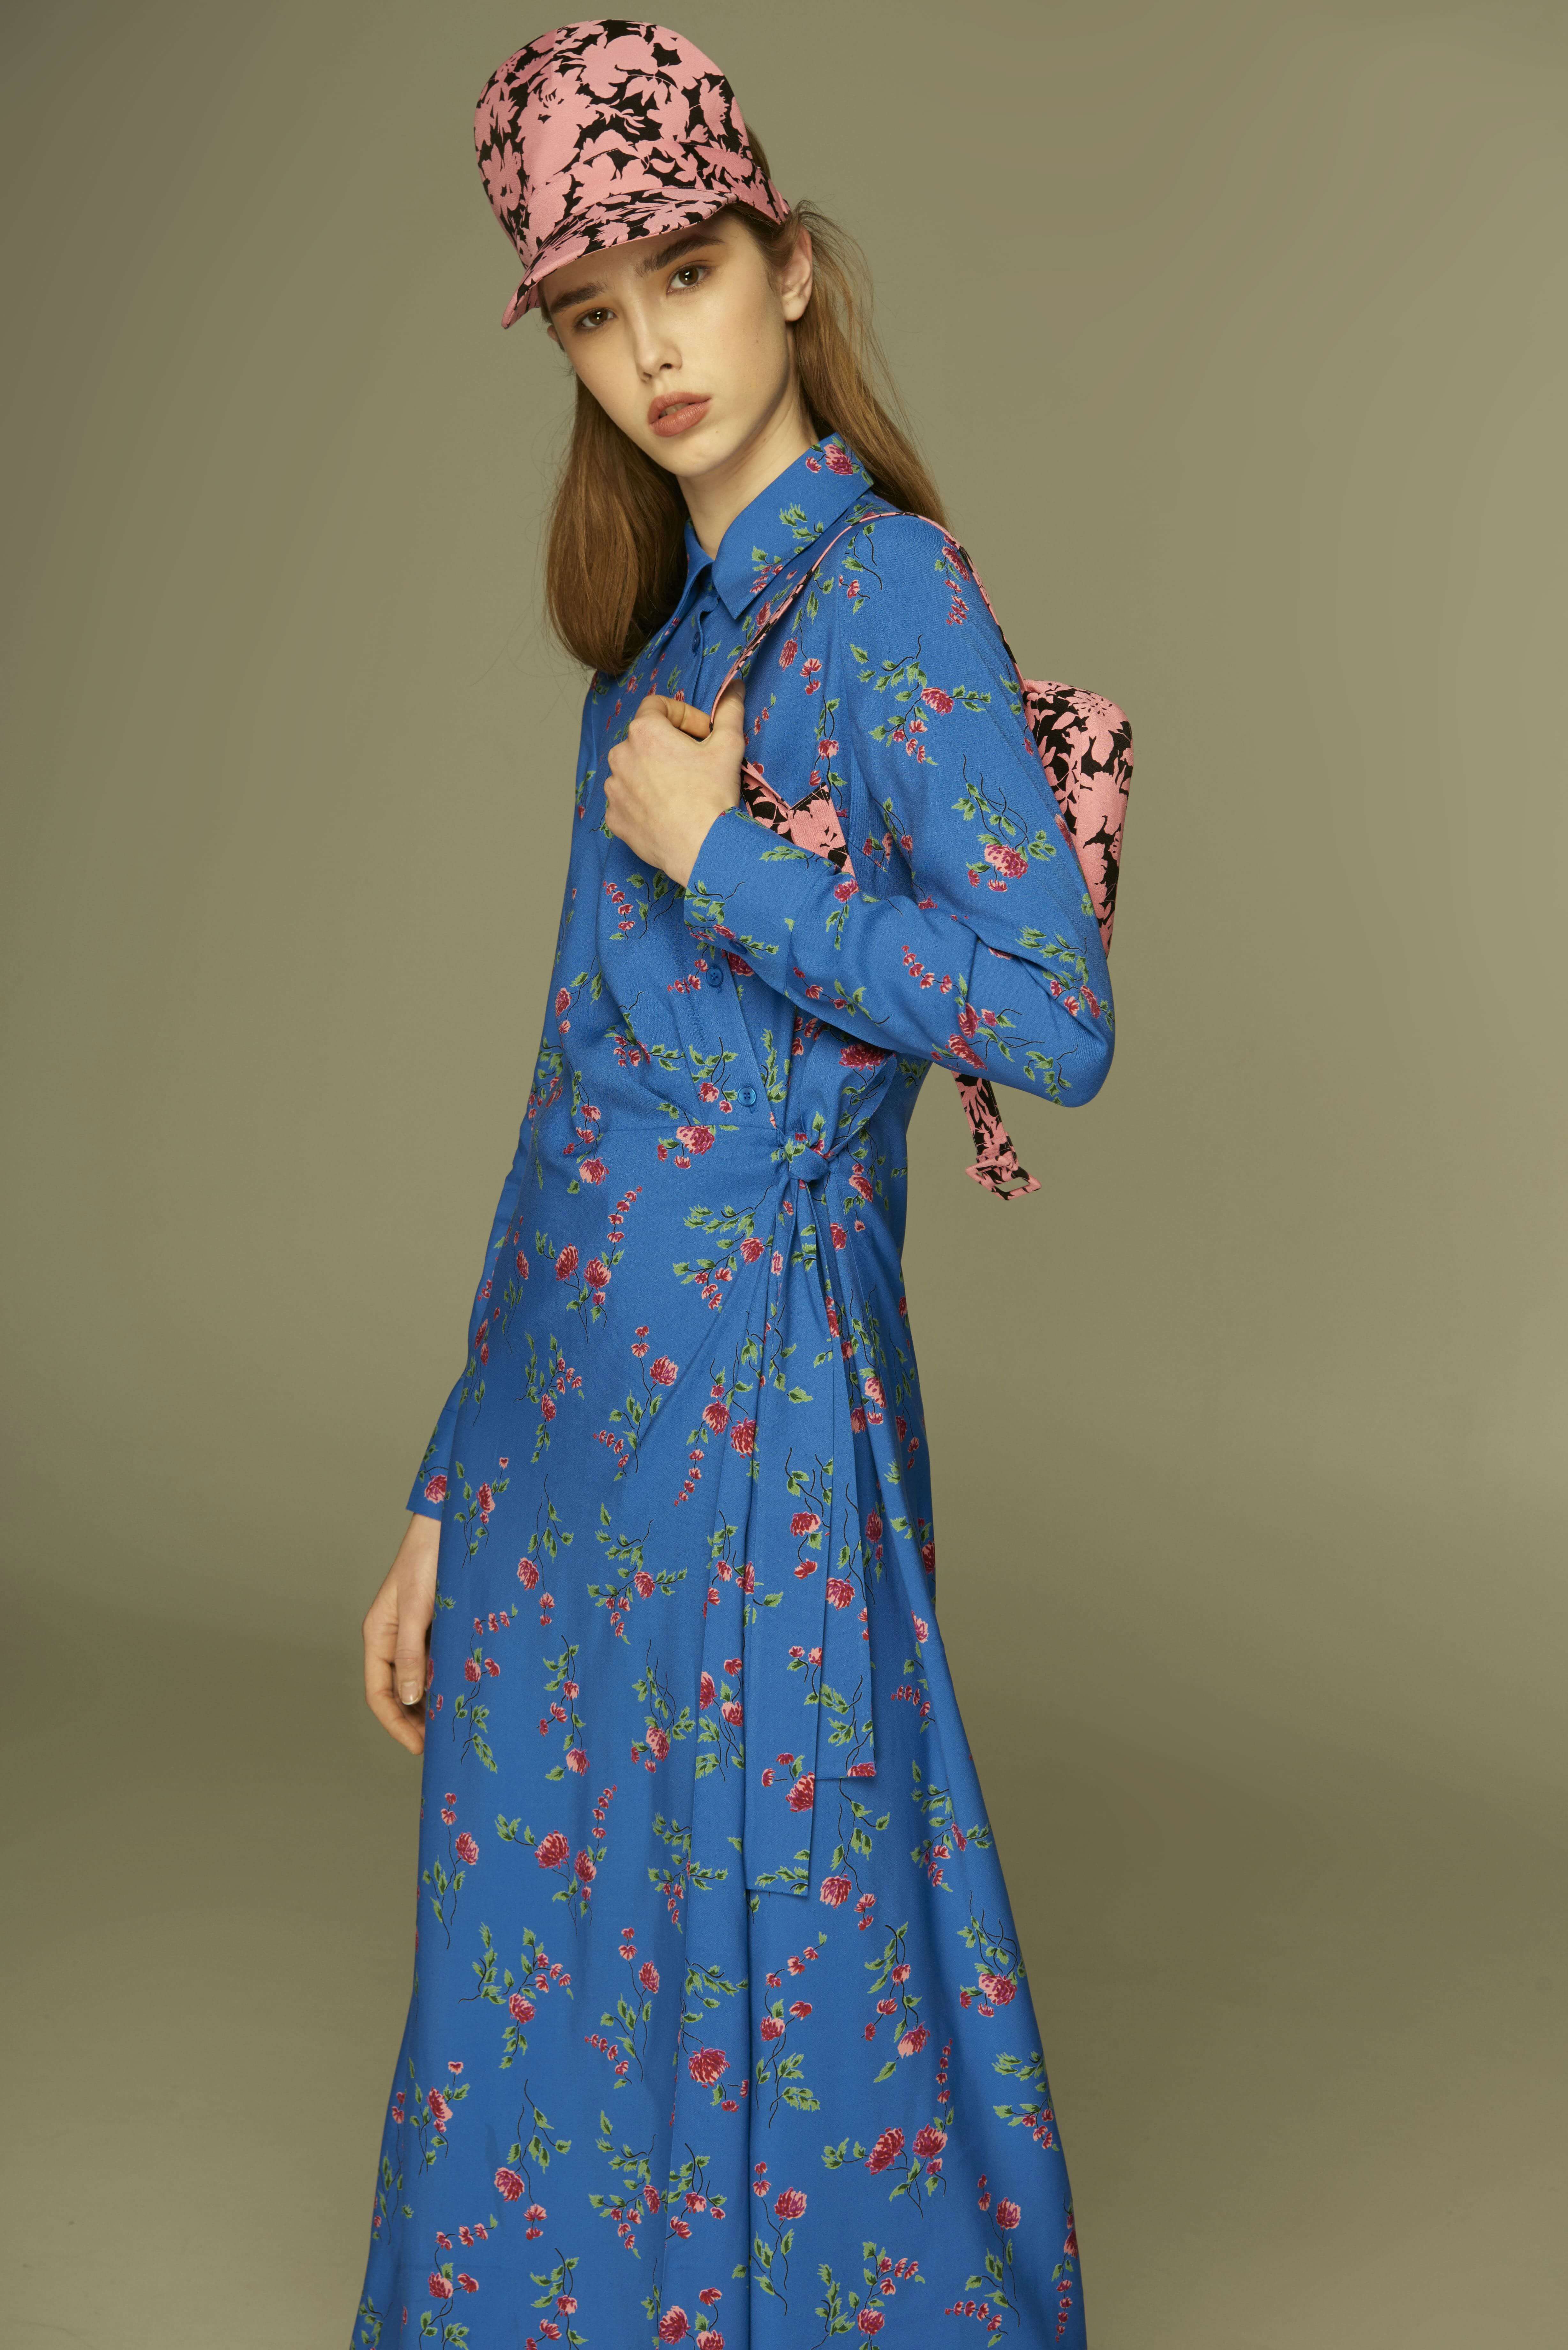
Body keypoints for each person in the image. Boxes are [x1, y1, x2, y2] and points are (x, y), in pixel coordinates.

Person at [353, 22, 1114, 2347]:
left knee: (805, 1932)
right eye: (595, 314)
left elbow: (1053, 1014)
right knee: (557, 1940)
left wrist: (732, 862)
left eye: (683, 275)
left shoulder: (891, 597)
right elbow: (569, 1098)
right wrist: (445, 1482)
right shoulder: (647, 669)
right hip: (567, 1417)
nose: (651, 350)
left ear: (786, 267)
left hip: (766, 1393)